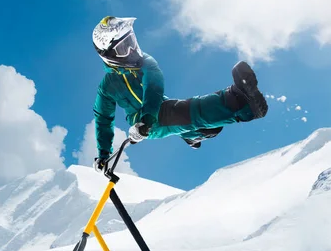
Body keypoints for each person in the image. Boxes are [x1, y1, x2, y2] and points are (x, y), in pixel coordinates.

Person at [91, 16, 268, 172]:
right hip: (143, 122)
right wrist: (103, 155)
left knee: (201, 123)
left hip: (153, 112)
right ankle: (241, 103)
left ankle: (193, 135)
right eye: (124, 49)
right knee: (184, 112)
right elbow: (103, 119)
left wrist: (148, 117)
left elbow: (154, 87)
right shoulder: (108, 86)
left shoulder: (145, 61)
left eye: (131, 43)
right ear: (109, 56)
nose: (132, 51)